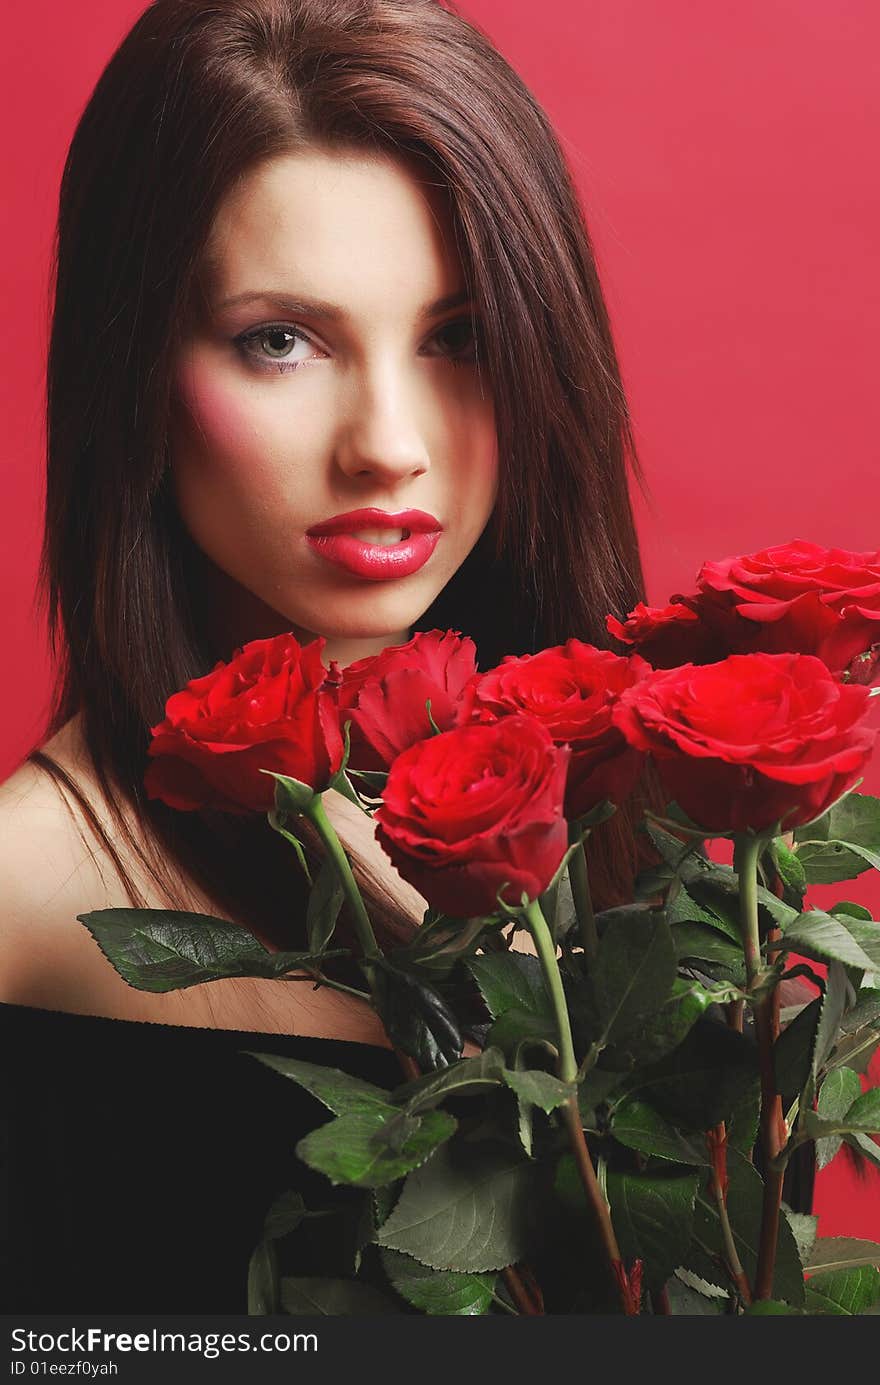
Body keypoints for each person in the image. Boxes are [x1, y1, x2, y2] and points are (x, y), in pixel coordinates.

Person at [0, 0, 662, 1312]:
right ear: (133, 367)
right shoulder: (22, 900)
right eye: (281, 339)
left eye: (457, 336)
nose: (389, 444)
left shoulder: (658, 837)